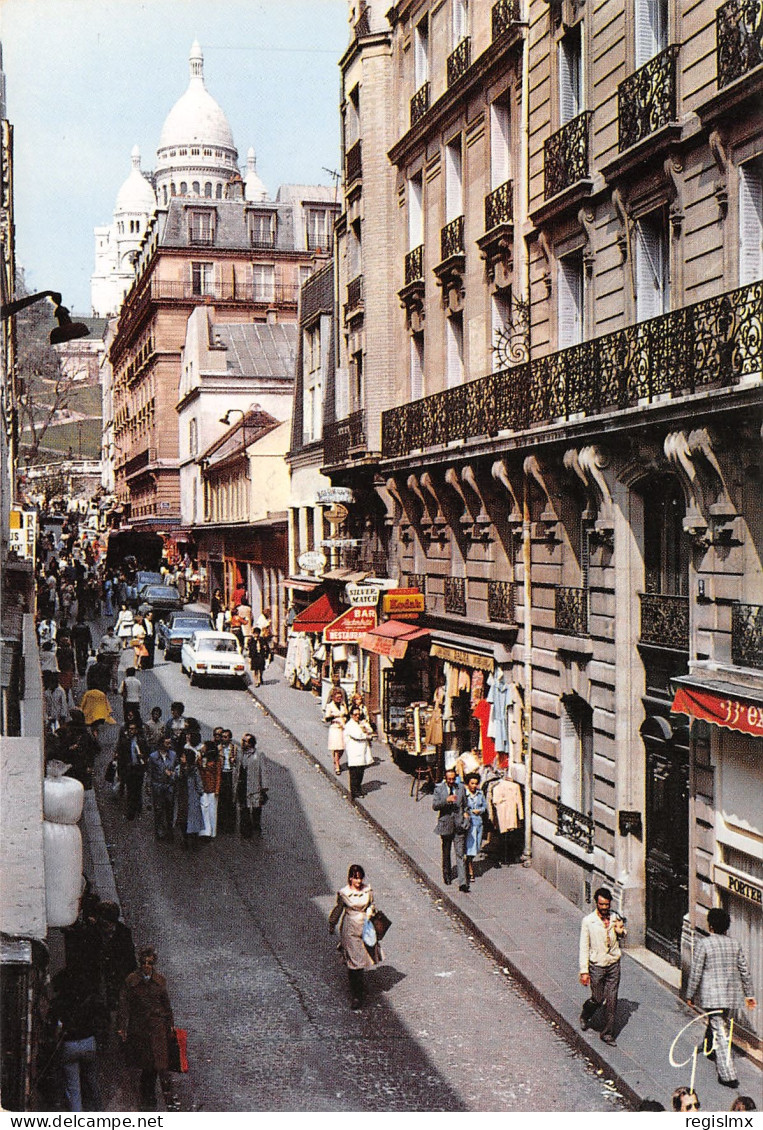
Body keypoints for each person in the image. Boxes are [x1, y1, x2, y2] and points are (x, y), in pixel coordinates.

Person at [686, 906, 756, 1089]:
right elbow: (745, 972)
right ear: (726, 927)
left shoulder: (704, 944)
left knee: (721, 1032)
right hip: (730, 996)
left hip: (712, 996)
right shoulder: (735, 944)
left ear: (710, 925)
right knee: (718, 1022)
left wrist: (689, 994)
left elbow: (695, 972)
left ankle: (727, 1074)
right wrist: (749, 994)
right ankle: (710, 1049)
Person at [117, 947, 180, 1112]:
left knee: (161, 1067)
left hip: (158, 1031)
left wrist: (170, 1026)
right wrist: (122, 1027)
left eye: (150, 963)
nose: (146, 966)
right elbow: (124, 1006)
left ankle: (166, 1103)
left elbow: (166, 1007)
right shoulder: (131, 981)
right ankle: (148, 1104)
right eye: (144, 962)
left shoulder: (159, 981)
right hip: (140, 1031)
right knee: (147, 1068)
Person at [49, 968, 108, 1112]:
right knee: (92, 1079)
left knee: (73, 1086)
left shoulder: (59, 1002)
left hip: (70, 1045)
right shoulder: (89, 999)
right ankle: (99, 1111)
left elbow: (53, 1024)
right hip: (88, 1042)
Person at [328, 864, 382, 1011]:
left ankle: (359, 984)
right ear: (350, 878)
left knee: (362, 960)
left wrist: (371, 912)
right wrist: (332, 923)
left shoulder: (367, 891)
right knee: (354, 962)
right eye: (356, 878)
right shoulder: (344, 893)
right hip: (350, 930)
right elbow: (338, 909)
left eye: (360, 878)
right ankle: (356, 995)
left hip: (365, 929)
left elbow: (372, 904)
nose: (358, 882)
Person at [578, 886, 626, 1046]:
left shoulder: (615, 917)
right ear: (596, 903)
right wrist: (584, 971)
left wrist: (621, 931)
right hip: (597, 965)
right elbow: (584, 946)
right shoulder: (588, 921)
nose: (605, 908)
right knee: (598, 998)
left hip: (613, 964)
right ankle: (586, 1013)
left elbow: (622, 934)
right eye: (602, 904)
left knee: (612, 1000)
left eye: (607, 904)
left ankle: (607, 1034)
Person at [432, 766, 470, 891]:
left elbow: (465, 805)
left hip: (458, 825)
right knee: (446, 852)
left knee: (460, 853)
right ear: (445, 778)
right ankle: (447, 875)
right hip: (446, 825)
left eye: (453, 779)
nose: (451, 781)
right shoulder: (439, 790)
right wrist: (446, 800)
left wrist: (466, 815)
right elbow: (435, 806)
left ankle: (462, 882)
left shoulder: (461, 789)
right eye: (449, 779)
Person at [96, 902, 137, 1012]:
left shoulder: (123, 934)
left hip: (116, 977)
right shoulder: (93, 933)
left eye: (107, 924)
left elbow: (130, 959)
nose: (105, 928)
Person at [236, 732, 268, 839]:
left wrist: (264, 788)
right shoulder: (240, 753)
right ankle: (245, 831)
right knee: (244, 809)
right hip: (242, 786)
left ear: (250, 744)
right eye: (243, 740)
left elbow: (263, 772)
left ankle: (256, 828)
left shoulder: (258, 755)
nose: (242, 743)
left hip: (254, 787)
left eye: (245, 741)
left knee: (255, 810)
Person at [147, 736, 178, 841]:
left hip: (170, 786)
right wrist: (148, 786)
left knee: (170, 809)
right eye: (167, 743)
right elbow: (150, 772)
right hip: (158, 786)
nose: (169, 745)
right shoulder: (153, 756)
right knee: (159, 809)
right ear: (161, 744)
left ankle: (169, 831)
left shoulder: (173, 755)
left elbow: (176, 769)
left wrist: (172, 775)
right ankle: (159, 831)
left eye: (170, 743)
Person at [117, 721, 148, 820]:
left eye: (133, 729)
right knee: (130, 791)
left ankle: (138, 808)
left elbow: (147, 752)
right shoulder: (125, 741)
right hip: (129, 769)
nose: (131, 731)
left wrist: (143, 757)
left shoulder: (141, 741)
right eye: (130, 729)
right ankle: (130, 812)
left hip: (138, 768)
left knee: (138, 789)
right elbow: (121, 757)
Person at [343, 703, 374, 801]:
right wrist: (367, 736)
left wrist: (365, 726)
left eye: (358, 714)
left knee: (360, 771)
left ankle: (358, 788)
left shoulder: (360, 723)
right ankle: (354, 792)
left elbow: (370, 730)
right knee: (354, 772)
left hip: (362, 750)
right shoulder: (350, 725)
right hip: (354, 751)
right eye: (355, 714)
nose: (357, 716)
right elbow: (357, 735)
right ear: (351, 715)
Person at [176, 748, 205, 849]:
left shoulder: (194, 770)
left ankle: (194, 841)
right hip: (182, 797)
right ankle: (185, 840)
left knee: (193, 819)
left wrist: (200, 793)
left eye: (183, 756)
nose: (181, 758)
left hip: (192, 797)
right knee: (182, 819)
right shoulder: (178, 768)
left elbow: (199, 782)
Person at [463, 772, 488, 883]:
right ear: (468, 784)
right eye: (472, 783)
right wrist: (468, 812)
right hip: (469, 824)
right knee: (470, 848)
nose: (474, 786)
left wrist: (480, 810)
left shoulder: (480, 794)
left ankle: (466, 863)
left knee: (477, 847)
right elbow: (462, 808)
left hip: (478, 823)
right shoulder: (464, 795)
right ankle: (470, 869)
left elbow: (484, 806)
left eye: (476, 784)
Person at [198, 741, 221, 839]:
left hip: (212, 788)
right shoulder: (202, 759)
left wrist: (217, 789)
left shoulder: (216, 760)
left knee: (212, 810)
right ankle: (204, 831)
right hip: (203, 787)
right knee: (204, 809)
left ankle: (212, 831)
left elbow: (218, 775)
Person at [217, 729, 238, 834]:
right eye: (222, 736)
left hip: (230, 774)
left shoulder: (234, 749)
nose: (223, 738)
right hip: (222, 774)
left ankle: (230, 825)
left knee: (231, 801)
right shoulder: (219, 748)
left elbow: (239, 763)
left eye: (225, 737)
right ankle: (220, 824)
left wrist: (234, 761)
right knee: (221, 800)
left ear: (229, 738)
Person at [324, 686, 348, 776]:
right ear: (333, 697)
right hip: (335, 728)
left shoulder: (342, 705)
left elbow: (346, 715)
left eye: (340, 697)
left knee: (342, 748)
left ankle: (336, 760)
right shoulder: (329, 706)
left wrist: (345, 717)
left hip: (343, 727)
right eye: (337, 697)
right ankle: (337, 765)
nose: (339, 699)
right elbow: (327, 718)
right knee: (337, 748)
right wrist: (335, 717)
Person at [97, 626, 121, 692]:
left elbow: (121, 647)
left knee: (114, 672)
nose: (110, 632)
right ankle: (107, 684)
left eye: (111, 631)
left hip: (115, 656)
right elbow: (100, 647)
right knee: (106, 671)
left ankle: (115, 686)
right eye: (109, 631)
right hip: (106, 656)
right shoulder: (104, 638)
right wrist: (102, 653)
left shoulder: (118, 639)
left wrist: (120, 654)